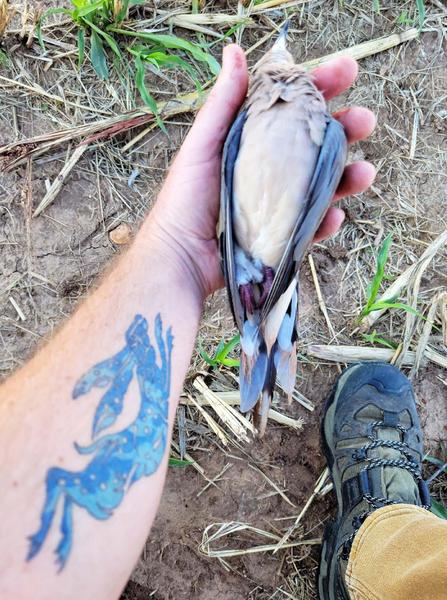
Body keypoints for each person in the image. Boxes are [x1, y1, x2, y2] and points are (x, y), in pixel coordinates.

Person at [0, 44, 445, 600]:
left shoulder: (324, 134)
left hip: (262, 260)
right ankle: (388, 535)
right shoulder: (269, 126)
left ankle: (380, 553)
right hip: (252, 258)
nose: (279, 62)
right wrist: (183, 253)